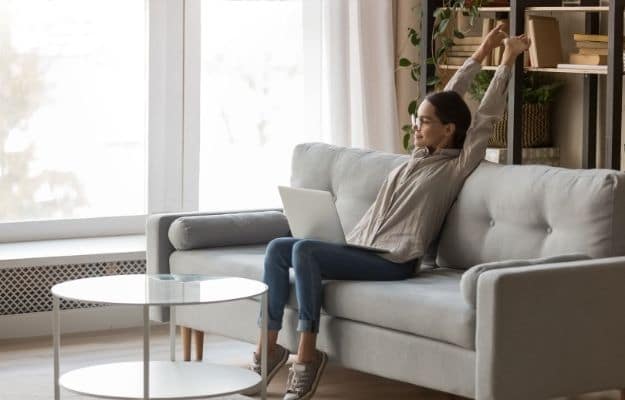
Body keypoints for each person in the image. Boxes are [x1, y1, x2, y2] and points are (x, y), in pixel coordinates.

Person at [249, 24, 530, 400]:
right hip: (361, 247)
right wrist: (482, 49)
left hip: (394, 261)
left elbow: (485, 117)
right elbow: (451, 95)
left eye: (425, 121)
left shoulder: (455, 166)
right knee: (278, 247)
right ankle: (269, 348)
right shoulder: (414, 158)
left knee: (303, 251)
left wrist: (508, 58)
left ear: (448, 131)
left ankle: (307, 355)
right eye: (419, 119)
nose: (416, 126)